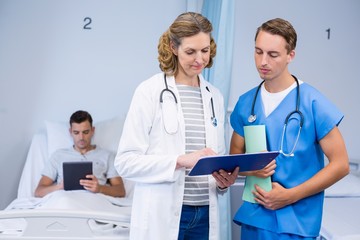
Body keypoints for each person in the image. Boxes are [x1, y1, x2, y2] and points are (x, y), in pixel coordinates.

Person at [114, 12, 239, 240]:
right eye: (190, 52)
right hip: (164, 213)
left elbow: (214, 158)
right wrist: (179, 161)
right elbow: (125, 162)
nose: (199, 59)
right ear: (173, 47)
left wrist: (223, 182)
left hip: (205, 215)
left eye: (205, 50)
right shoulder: (149, 91)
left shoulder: (215, 97)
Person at [230, 18, 349, 239]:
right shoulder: (246, 103)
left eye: (272, 55)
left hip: (296, 223)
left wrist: (290, 196)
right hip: (254, 218)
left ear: (290, 56)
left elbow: (341, 164)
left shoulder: (313, 102)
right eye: (258, 52)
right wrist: (252, 168)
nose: (262, 61)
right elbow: (234, 159)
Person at [35, 110, 125, 198]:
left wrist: (100, 188)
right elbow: (39, 191)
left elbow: (120, 191)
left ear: (92, 130)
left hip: (95, 202)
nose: (81, 137)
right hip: (66, 201)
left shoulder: (107, 156)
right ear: (70, 132)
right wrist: (60, 187)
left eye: (85, 132)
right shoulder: (58, 156)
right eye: (76, 133)